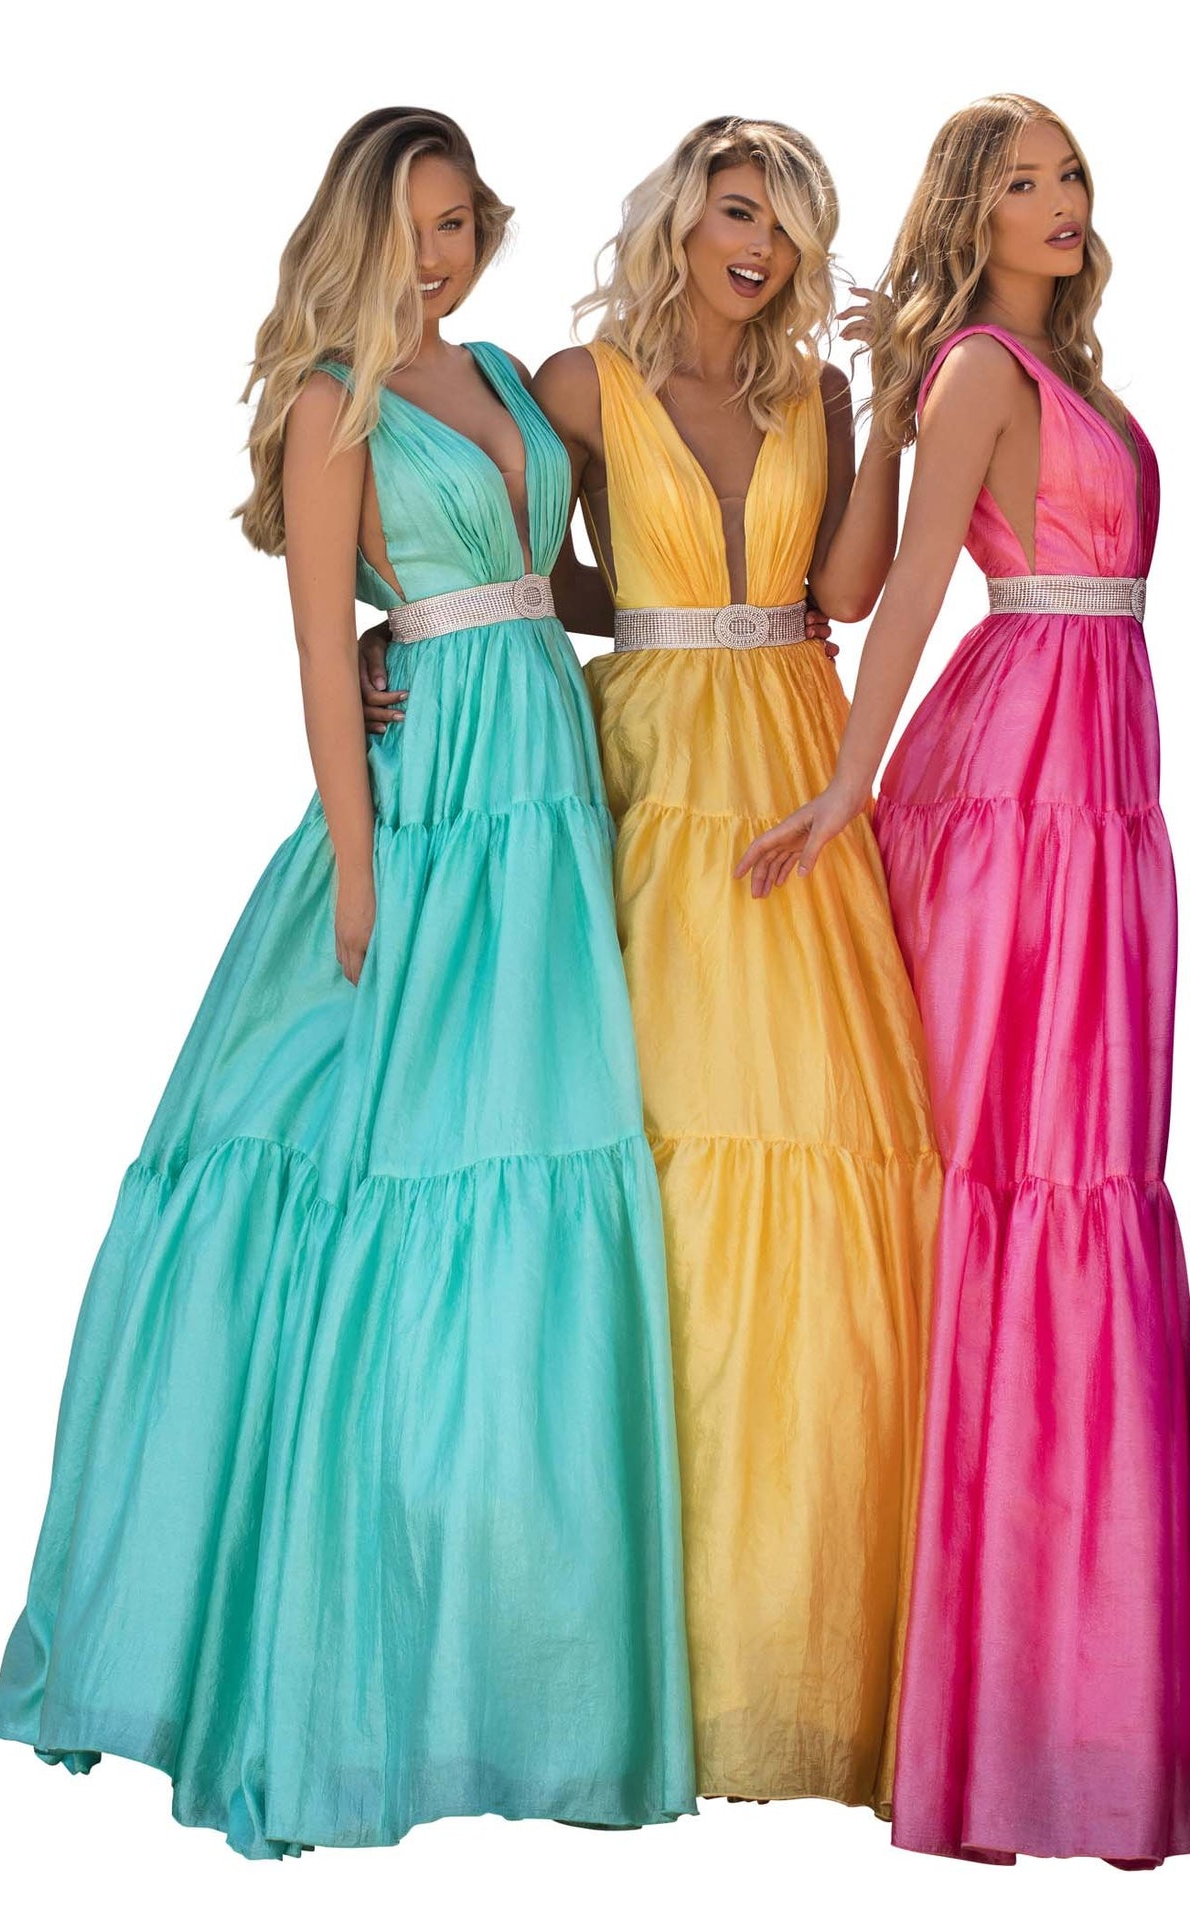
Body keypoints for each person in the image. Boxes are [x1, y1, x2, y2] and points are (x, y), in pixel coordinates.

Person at [0, 106, 697, 1858]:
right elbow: (322, 651)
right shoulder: (333, 405)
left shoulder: (515, 386)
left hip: (552, 789)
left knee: (543, 1152)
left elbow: (560, 585)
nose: (437, 254)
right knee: (395, 1169)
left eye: (459, 222)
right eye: (410, 225)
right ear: (356, 236)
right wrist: (365, 872)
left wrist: (717, 619)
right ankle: (329, 1653)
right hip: (434, 804)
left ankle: (520, 1650)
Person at [386, 116, 940, 1814]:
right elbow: (518, 561)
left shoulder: (815, 393)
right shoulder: (579, 384)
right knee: (650, 1167)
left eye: (788, 222)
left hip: (795, 749)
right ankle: (615, 1653)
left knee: (825, 1163)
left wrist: (891, 416)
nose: (760, 244)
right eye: (736, 209)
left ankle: (787, 1650)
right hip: (638, 763)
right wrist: (404, 624)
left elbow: (847, 586)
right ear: (681, 221)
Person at [738, 94, 1190, 1864]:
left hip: (1107, 802)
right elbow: (908, 587)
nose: (1059, 200)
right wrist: (847, 788)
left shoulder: (1075, 374)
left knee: (1090, 1182)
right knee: (1016, 1186)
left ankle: (1072, 1691)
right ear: (968, 210)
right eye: (1020, 180)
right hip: (1014, 804)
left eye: (1069, 174)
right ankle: (998, 1716)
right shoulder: (985, 371)